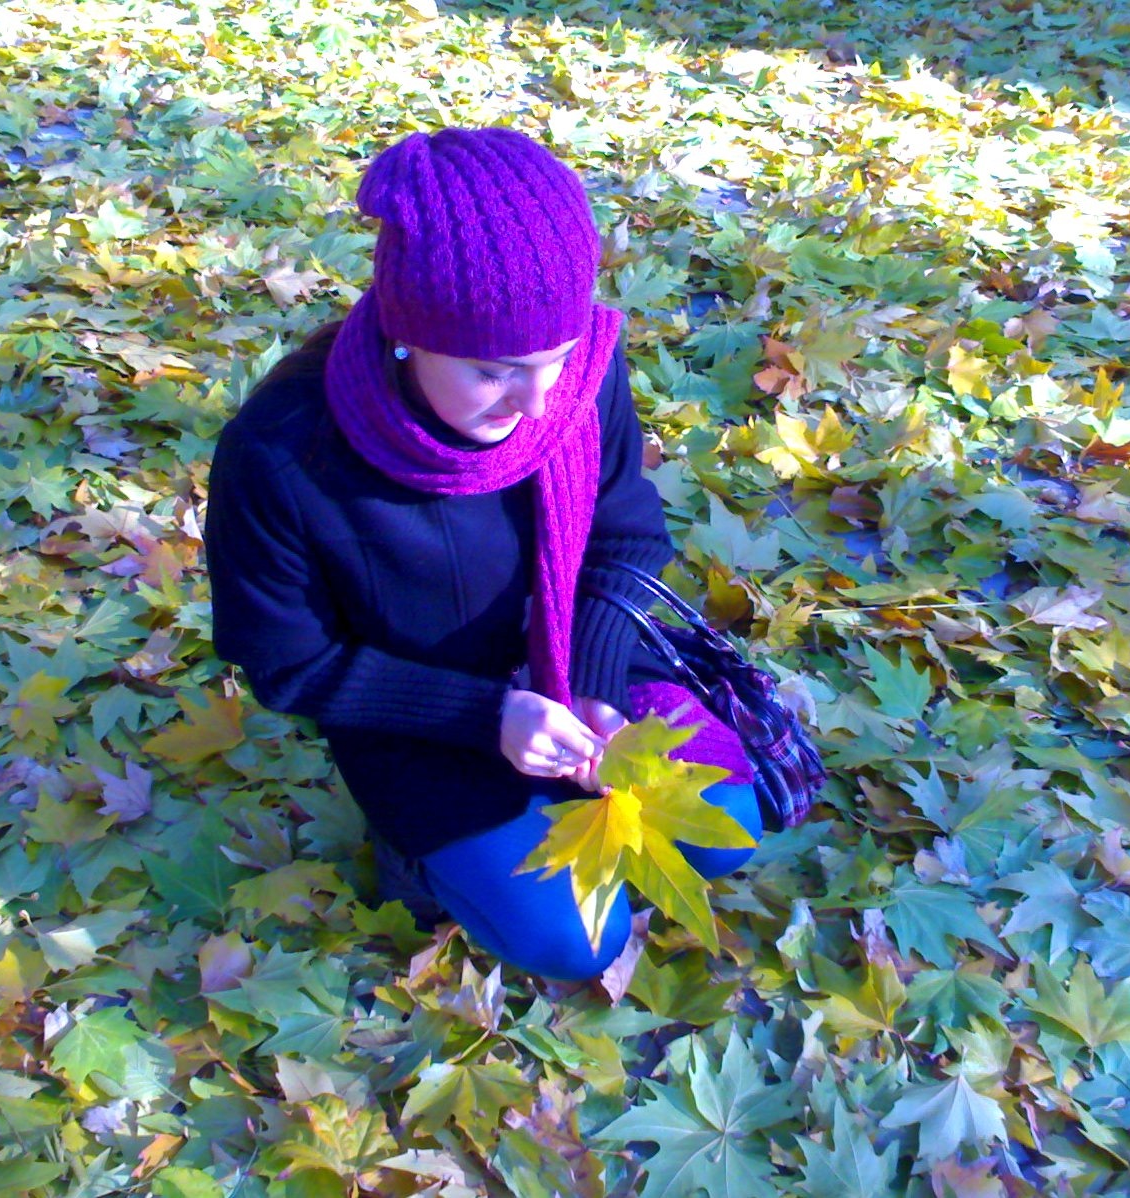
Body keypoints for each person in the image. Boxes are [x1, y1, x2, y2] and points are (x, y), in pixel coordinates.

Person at [205, 127, 764, 981]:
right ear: (409, 333)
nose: (538, 403)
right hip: (415, 714)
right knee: (576, 944)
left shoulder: (580, 380)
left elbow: (624, 534)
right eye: (495, 371)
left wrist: (594, 684)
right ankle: (417, 856)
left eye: (556, 361)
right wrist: (486, 718)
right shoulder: (283, 454)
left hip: (575, 658)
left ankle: (537, 806)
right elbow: (289, 664)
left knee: (731, 831)